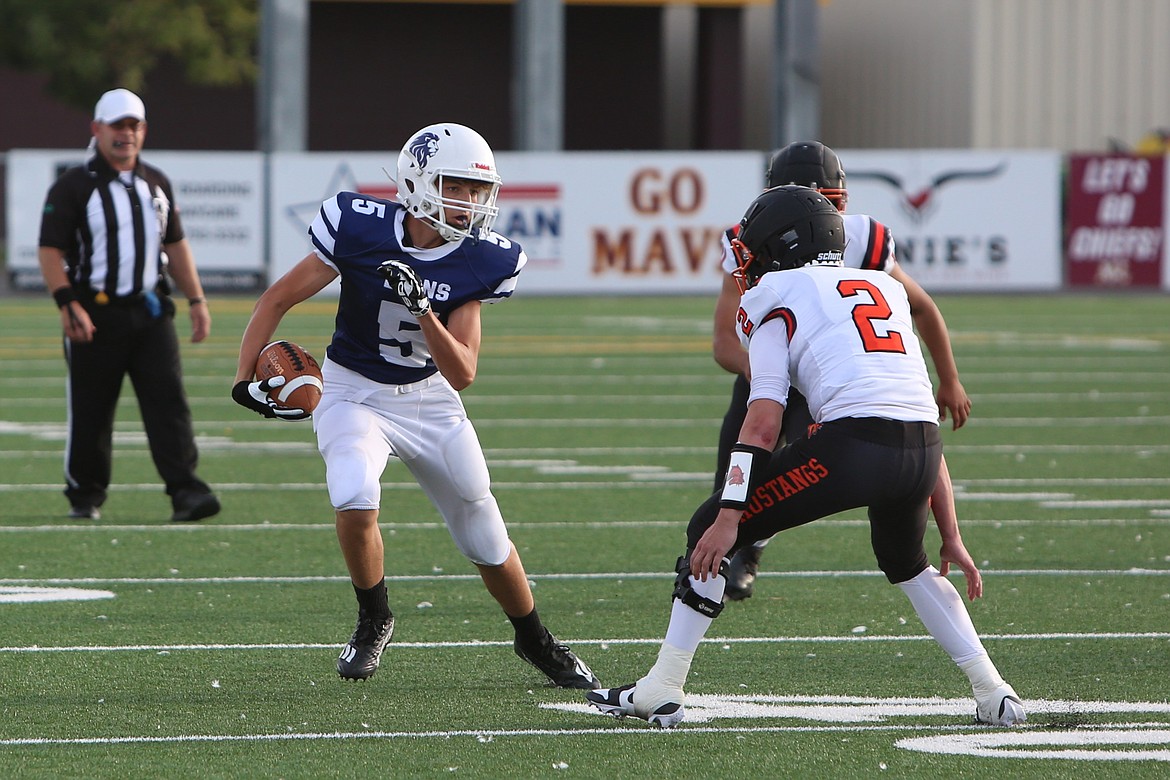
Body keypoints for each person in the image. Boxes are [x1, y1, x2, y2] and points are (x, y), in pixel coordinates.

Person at [587, 185, 1024, 728]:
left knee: (707, 529)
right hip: (921, 452)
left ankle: (663, 687)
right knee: (909, 563)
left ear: (779, 246)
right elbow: (913, 412)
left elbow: (764, 420)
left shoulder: (779, 297)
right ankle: (994, 691)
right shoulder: (882, 286)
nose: (747, 261)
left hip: (855, 449)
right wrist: (951, 532)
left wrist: (729, 519)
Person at [231, 122, 600, 689]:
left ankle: (535, 640)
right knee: (353, 493)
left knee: (483, 525)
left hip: (430, 399)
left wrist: (424, 308)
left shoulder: (479, 259)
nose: (472, 203)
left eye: (479, 191)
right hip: (353, 388)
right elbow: (277, 297)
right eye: (459, 187)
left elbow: (464, 372)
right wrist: (242, 379)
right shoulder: (359, 228)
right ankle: (373, 617)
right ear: (420, 181)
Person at [712, 141, 972, 601]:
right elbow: (724, 342)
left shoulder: (866, 239)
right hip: (773, 369)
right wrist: (774, 377)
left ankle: (745, 544)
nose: (828, 213)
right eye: (820, 201)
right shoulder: (757, 237)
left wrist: (948, 378)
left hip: (846, 382)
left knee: (775, 480)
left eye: (834, 202)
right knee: (733, 478)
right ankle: (732, 552)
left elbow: (923, 308)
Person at [37, 88, 221, 524]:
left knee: (168, 402)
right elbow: (49, 251)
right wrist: (67, 304)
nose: (126, 134)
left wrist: (197, 299)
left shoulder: (155, 181)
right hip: (94, 313)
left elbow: (174, 243)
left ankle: (186, 492)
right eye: (117, 125)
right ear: (97, 129)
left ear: (144, 130)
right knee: (91, 407)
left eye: (133, 125)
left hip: (150, 311)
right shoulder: (73, 187)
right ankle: (85, 495)